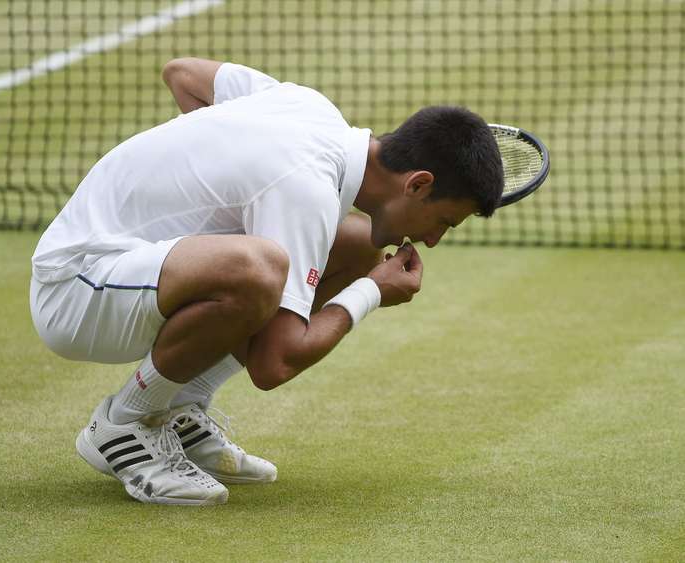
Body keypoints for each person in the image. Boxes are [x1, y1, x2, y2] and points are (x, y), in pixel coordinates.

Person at [29, 58, 504, 506]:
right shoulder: (307, 189)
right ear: (417, 184)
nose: (433, 240)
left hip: (134, 268)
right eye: (443, 221)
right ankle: (127, 422)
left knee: (356, 246)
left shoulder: (308, 106)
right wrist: (372, 292)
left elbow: (184, 73)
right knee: (257, 269)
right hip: (76, 288)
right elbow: (274, 363)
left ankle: (179, 406)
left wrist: (207, 178)